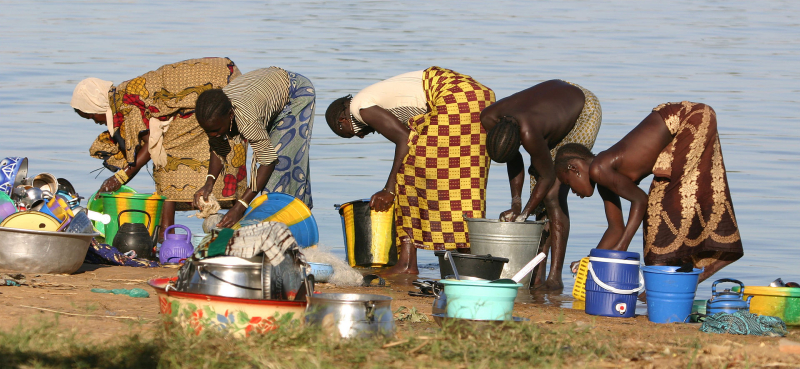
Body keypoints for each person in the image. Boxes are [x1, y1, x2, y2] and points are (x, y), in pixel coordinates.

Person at [325, 66, 495, 274]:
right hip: (478, 96)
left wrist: (388, 190)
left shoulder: (360, 108)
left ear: (342, 121)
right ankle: (466, 260)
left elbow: (404, 140)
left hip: (452, 97)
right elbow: (410, 138)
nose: (360, 136)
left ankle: (407, 264)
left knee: (408, 175)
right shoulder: (373, 97)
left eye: (350, 134)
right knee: (460, 181)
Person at [554, 102, 743, 283]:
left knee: (664, 206)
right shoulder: (604, 179)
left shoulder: (599, 168)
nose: (573, 192)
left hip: (688, 119)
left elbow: (640, 200)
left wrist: (622, 247)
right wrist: (591, 260)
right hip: (679, 131)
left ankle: (716, 257)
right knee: (658, 213)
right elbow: (615, 228)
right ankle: (668, 282)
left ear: (574, 168)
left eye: (568, 183)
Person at [71, 57, 248, 236]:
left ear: (98, 106)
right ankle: (170, 231)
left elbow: (149, 146)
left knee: (166, 156)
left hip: (220, 87)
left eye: (92, 117)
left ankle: (167, 233)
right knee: (169, 154)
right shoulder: (121, 96)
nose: (95, 123)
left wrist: (119, 178)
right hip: (225, 75)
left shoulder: (125, 103)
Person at [480, 80, 602, 290]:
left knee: (552, 193)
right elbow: (514, 158)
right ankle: (537, 273)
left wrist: (524, 213)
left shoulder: (529, 133)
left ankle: (555, 277)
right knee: (539, 193)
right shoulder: (489, 119)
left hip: (582, 110)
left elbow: (546, 177)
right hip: (555, 104)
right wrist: (516, 203)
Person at [194, 67, 315, 228]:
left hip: (295, 93)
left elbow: (268, 162)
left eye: (216, 130)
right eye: (208, 131)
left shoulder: (246, 119)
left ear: (231, 115)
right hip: (263, 92)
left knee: (281, 167)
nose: (213, 134)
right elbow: (217, 146)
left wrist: (240, 206)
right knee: (270, 168)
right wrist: (209, 183)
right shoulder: (216, 111)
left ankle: (291, 224)